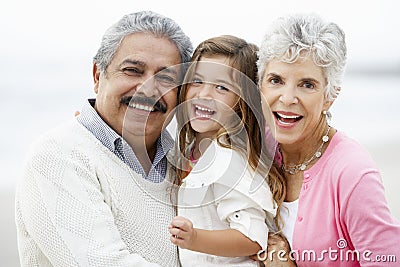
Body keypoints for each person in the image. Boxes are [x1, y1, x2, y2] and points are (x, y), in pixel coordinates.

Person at [15, 11, 193, 266]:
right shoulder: (57, 156)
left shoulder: (184, 163)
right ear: (98, 76)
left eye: (166, 78)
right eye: (133, 71)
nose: (148, 88)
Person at [256, 13, 400, 266]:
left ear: (329, 96)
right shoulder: (257, 151)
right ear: (260, 86)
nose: (288, 98)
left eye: (307, 84)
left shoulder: (353, 173)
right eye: (276, 80)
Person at [168, 35, 285, 266]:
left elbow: (252, 238)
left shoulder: (229, 159)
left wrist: (194, 238)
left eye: (221, 87)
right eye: (197, 81)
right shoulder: (192, 150)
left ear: (242, 101)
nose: (203, 95)